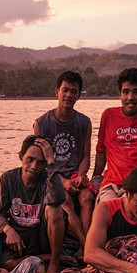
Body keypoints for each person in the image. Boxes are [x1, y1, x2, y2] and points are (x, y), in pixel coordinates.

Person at [0, 135, 68, 273]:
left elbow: (58, 199)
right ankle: (47, 257)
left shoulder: (47, 178)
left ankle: (54, 261)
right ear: (21, 157)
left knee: (54, 209)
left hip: (42, 236)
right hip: (21, 240)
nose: (34, 167)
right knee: (7, 264)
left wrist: (51, 161)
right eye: (30, 159)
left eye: (40, 162)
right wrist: (8, 229)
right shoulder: (8, 178)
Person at [33, 71, 94, 251]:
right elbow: (40, 163)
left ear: (79, 95)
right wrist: (63, 182)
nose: (68, 95)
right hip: (52, 176)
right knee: (64, 200)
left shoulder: (84, 122)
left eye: (73, 91)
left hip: (75, 174)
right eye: (65, 90)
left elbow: (85, 156)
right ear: (57, 92)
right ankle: (87, 247)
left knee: (87, 197)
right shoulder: (42, 123)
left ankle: (87, 246)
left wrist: (81, 176)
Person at [91, 68, 137, 202]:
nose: (130, 97)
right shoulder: (108, 115)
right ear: (120, 94)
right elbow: (101, 150)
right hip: (111, 184)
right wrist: (95, 179)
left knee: (129, 207)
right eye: (126, 92)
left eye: (136, 92)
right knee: (106, 209)